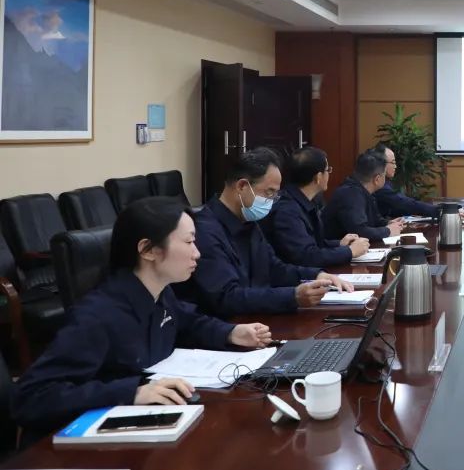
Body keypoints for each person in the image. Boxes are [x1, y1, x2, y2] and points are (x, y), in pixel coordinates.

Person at [12, 197, 273, 436]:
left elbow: (188, 321)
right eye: (188, 242)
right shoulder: (97, 316)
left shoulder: (159, 292)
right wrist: (132, 392)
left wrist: (230, 333)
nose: (197, 253)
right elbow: (30, 398)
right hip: (85, 447)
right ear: (148, 250)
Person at [174, 148, 352, 317]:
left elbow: (274, 269)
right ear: (242, 186)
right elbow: (227, 297)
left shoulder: (249, 222)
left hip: (258, 318)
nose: (272, 201)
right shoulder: (204, 231)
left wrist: (316, 275)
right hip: (228, 326)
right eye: (269, 192)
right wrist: (292, 296)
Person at [263, 147, 371, 268]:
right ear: (318, 177)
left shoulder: (305, 201)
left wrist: (340, 244)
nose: (329, 174)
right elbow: (306, 256)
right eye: (328, 170)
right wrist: (349, 251)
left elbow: (315, 244)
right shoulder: (287, 211)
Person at [370, 143, 464, 220]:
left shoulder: (385, 182)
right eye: (393, 163)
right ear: (381, 164)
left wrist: (449, 209)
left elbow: (399, 206)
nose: (395, 166)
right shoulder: (379, 186)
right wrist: (445, 212)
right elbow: (404, 203)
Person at [323, 152, 405, 241]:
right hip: (336, 247)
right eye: (384, 175)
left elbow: (374, 220)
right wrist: (388, 231)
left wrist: (388, 223)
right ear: (377, 179)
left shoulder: (363, 189)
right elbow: (360, 231)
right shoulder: (351, 194)